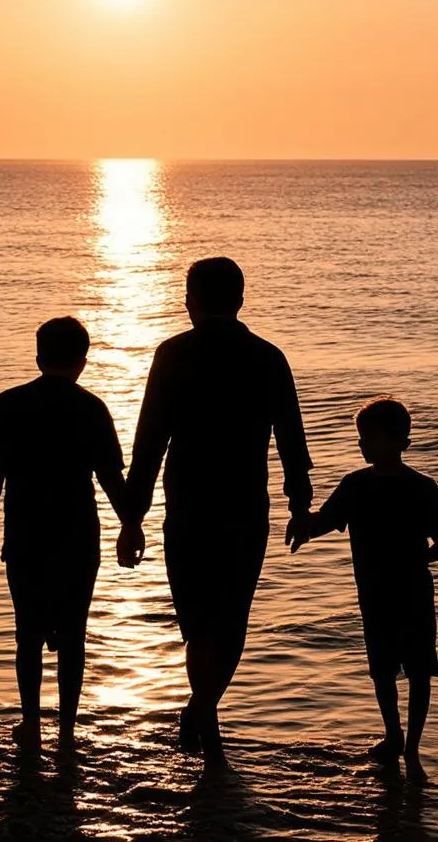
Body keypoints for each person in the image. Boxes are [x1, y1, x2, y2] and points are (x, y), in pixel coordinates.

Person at [121, 257, 314, 764]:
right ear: (241, 300)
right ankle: (203, 712)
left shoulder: (172, 354)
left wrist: (131, 517)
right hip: (246, 506)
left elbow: (148, 442)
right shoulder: (267, 356)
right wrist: (300, 502)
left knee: (198, 623)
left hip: (187, 506)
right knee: (231, 619)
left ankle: (201, 710)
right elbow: (291, 436)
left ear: (190, 302)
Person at [0, 316, 139, 753]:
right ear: (83, 360)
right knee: (73, 634)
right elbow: (110, 478)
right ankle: (66, 730)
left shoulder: (8, 404)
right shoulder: (92, 407)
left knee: (27, 632)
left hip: (25, 534)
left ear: (39, 356)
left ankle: (31, 724)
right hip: (78, 536)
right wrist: (131, 524)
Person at [290, 396, 438, 780]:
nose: (361, 444)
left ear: (399, 442)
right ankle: (394, 737)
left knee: (416, 671)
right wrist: (302, 525)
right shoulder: (354, 486)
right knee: (383, 670)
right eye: (360, 438)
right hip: (378, 596)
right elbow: (325, 521)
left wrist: (416, 561)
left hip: (411, 594)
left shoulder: (421, 487)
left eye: (368, 438)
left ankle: (411, 747)